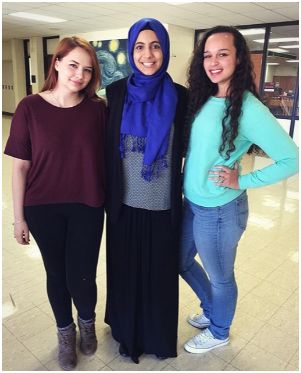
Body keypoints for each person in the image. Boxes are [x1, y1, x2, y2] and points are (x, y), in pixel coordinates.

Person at [179, 26, 298, 354]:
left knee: (220, 277)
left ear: (239, 58)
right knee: (180, 260)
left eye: (223, 54)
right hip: (193, 204)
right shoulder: (206, 96)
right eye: (207, 55)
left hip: (220, 210)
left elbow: (292, 159)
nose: (213, 62)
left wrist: (241, 180)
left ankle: (219, 331)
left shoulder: (248, 108)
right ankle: (213, 310)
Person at [4, 36, 106, 370]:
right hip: (42, 206)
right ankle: (65, 332)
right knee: (56, 274)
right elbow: (19, 166)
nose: (80, 75)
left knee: (82, 274)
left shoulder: (97, 110)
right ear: (57, 63)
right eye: (73, 65)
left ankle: (87, 322)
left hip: (87, 204)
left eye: (87, 70)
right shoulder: (29, 107)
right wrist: (18, 219)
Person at [104, 18, 188, 363]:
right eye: (140, 46)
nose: (148, 54)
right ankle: (126, 330)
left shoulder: (181, 97)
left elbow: (191, 146)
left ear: (165, 50)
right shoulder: (115, 92)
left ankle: (155, 334)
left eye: (155, 46)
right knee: (124, 272)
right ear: (130, 51)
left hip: (162, 205)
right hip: (123, 202)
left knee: (158, 276)